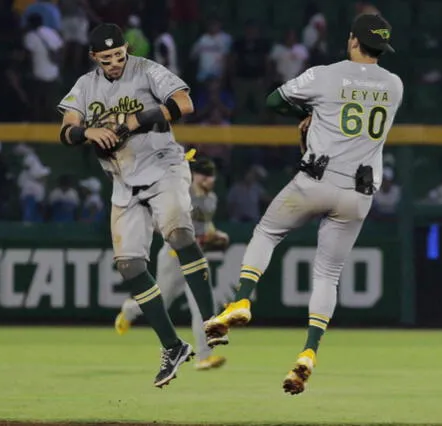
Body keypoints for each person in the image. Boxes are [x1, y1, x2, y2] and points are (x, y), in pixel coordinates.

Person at [204, 14, 403, 395]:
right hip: (359, 193)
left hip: (316, 180)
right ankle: (309, 351)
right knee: (328, 274)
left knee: (267, 231)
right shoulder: (394, 85)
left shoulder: (325, 75)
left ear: (351, 41)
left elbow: (273, 100)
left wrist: (308, 114)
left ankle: (242, 299)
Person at [57, 23, 219, 388]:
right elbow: (66, 130)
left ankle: (211, 321)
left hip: (164, 167)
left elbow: (185, 103)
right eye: (107, 57)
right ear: (94, 57)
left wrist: (134, 120)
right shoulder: (85, 86)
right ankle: (173, 346)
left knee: (179, 235)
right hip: (124, 182)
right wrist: (87, 132)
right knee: (129, 266)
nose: (115, 62)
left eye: (119, 54)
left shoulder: (146, 70)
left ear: (126, 49)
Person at [115, 157, 228, 371]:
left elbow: (205, 227)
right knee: (161, 301)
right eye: (205, 174)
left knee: (201, 306)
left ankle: (204, 357)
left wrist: (215, 236)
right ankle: (130, 310)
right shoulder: (181, 191)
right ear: (194, 175)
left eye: (211, 175)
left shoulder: (211, 198)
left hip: (195, 258)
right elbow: (158, 223)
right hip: (173, 256)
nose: (209, 179)